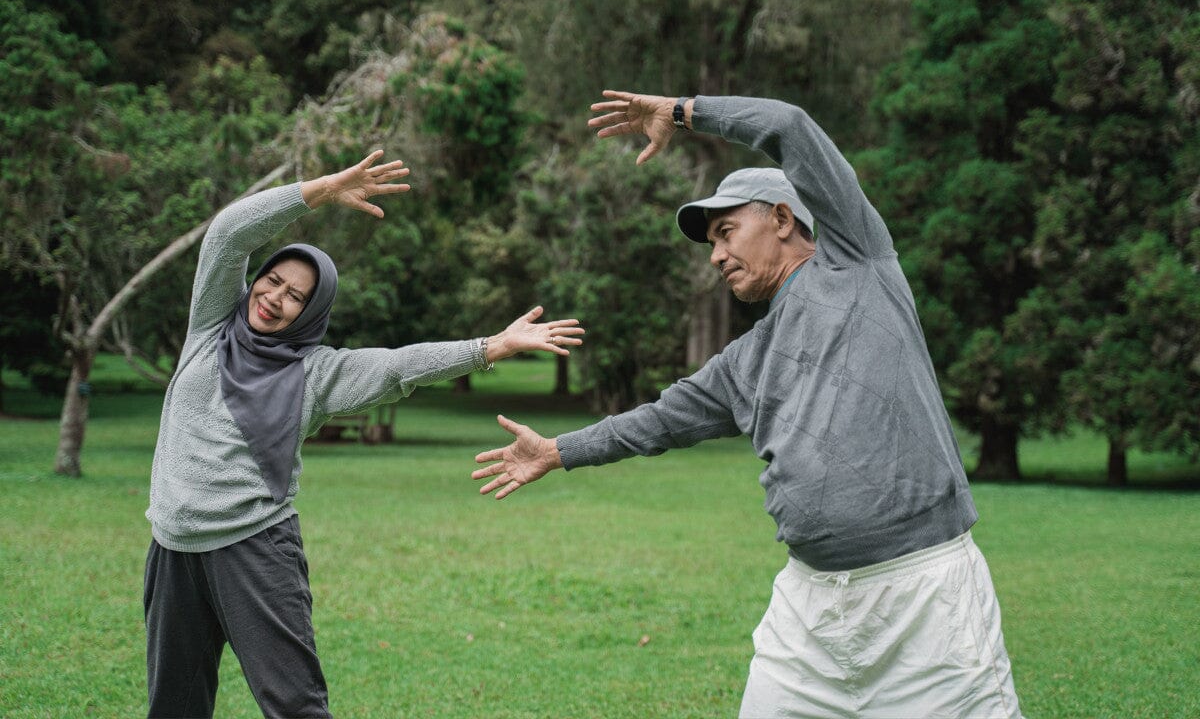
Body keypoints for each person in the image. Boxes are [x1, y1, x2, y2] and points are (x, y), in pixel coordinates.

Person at [472, 92, 1024, 718]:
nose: (715, 255)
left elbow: (788, 126)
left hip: (925, 598)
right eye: (711, 242)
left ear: (784, 220)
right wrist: (557, 450)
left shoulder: (858, 262)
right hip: (810, 611)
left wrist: (682, 112)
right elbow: (658, 420)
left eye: (726, 232)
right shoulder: (747, 359)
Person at [143, 151, 584, 719]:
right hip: (173, 548)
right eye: (272, 281)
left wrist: (491, 347)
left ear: (309, 311)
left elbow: (398, 366)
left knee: (295, 707)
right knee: (173, 708)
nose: (274, 298)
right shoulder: (209, 329)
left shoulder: (316, 374)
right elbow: (228, 232)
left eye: (295, 296)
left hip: (253, 549)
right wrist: (321, 190)